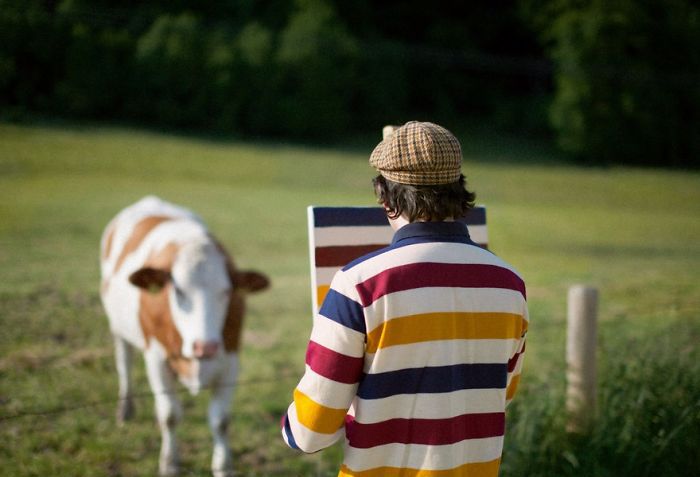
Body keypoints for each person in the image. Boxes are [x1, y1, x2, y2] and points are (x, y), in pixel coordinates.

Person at [281, 121, 528, 476]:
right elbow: (499, 394)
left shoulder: (359, 284)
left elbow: (311, 432)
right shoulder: (509, 284)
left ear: (384, 196)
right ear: (459, 190)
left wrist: (291, 427)